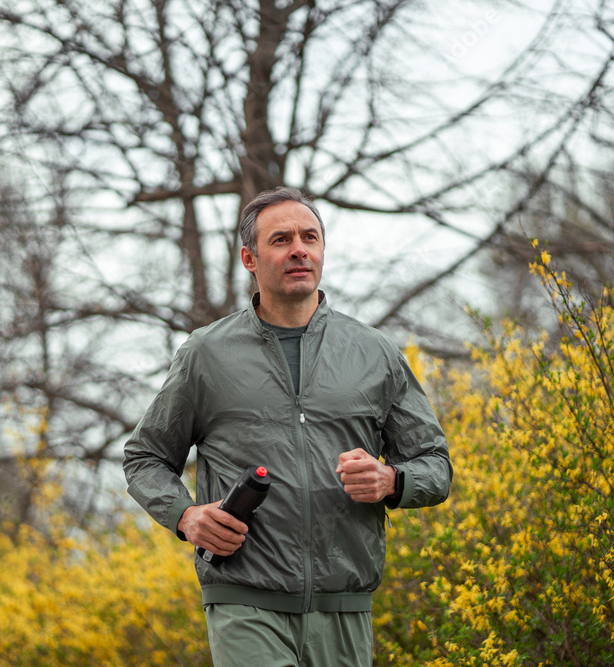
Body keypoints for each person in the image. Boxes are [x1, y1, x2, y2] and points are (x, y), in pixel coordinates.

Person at [122, 187, 452, 666]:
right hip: (244, 601)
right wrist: (186, 516)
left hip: (345, 606)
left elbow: (435, 465)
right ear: (249, 259)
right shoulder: (206, 354)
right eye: (281, 240)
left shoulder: (374, 352)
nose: (299, 249)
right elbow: (145, 457)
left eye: (309, 237)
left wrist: (391, 480)